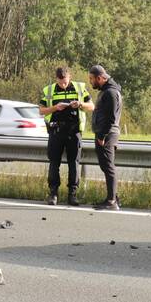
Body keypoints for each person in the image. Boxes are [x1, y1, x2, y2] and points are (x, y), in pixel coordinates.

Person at [39, 67, 93, 205]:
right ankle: (53, 194)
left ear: (70, 77)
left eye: (65, 81)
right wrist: (55, 108)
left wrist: (80, 104)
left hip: (74, 132)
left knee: (74, 163)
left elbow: (91, 106)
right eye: (60, 82)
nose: (63, 84)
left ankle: (72, 195)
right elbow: (41, 111)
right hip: (56, 130)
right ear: (56, 78)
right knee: (54, 162)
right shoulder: (49, 90)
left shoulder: (79, 88)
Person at [89, 64, 123, 210]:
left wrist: (102, 135)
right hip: (105, 133)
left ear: (100, 78)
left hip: (108, 134)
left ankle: (111, 201)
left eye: (92, 79)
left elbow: (111, 118)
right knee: (106, 166)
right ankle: (113, 197)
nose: (90, 82)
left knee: (108, 167)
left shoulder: (110, 93)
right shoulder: (106, 90)